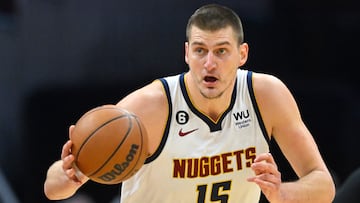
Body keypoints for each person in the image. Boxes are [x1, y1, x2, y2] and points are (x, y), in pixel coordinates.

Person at [44, 4, 335, 203]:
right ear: (186, 53)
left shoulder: (267, 96)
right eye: (200, 51)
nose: (210, 63)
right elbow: (53, 189)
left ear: (242, 54)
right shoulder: (148, 107)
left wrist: (282, 194)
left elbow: (323, 185)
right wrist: (71, 172)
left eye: (221, 51)